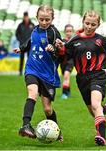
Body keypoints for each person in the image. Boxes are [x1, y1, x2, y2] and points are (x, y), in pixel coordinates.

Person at [55, 10, 106, 146]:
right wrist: (60, 48)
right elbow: (65, 53)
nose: (89, 26)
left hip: (98, 76)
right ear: (83, 22)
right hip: (82, 79)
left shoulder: (100, 40)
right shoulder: (74, 40)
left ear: (98, 25)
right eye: (87, 23)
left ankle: (101, 137)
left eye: (93, 24)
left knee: (95, 104)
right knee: (93, 110)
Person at [13, 5, 64, 141]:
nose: (44, 22)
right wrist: (21, 48)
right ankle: (26, 125)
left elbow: (61, 53)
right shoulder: (35, 29)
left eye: (47, 20)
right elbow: (31, 42)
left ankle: (57, 131)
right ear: (37, 18)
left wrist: (53, 48)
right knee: (32, 93)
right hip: (32, 69)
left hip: (48, 75)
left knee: (47, 109)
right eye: (41, 19)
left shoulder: (53, 33)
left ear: (52, 19)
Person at [16, 11, 35, 76]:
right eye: (25, 17)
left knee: (29, 58)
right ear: (23, 17)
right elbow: (17, 34)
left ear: (28, 17)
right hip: (22, 44)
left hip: (29, 44)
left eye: (26, 17)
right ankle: (20, 71)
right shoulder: (20, 25)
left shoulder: (32, 25)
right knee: (21, 58)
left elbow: (34, 34)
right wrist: (20, 40)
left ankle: (29, 70)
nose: (26, 18)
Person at [60, 24, 74, 99]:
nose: (69, 33)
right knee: (66, 77)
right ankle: (68, 91)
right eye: (67, 31)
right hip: (62, 62)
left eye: (70, 31)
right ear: (65, 32)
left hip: (70, 62)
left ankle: (64, 93)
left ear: (72, 32)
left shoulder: (74, 42)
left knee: (66, 75)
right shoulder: (62, 41)